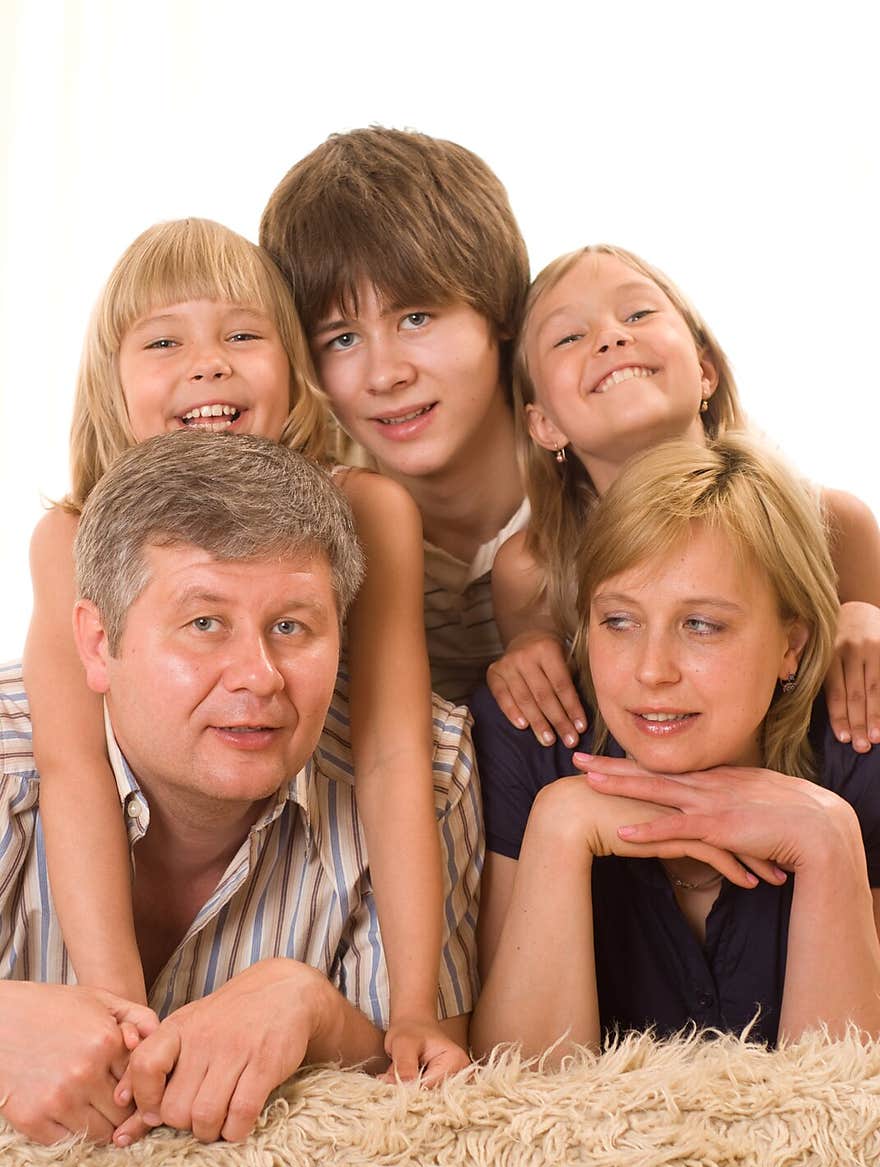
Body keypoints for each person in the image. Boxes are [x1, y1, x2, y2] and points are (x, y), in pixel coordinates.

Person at [23, 217, 470, 1083]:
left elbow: (389, 750)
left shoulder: (367, 509)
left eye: (242, 333)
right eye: (164, 340)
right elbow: (72, 766)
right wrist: (121, 1015)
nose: (208, 363)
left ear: (293, 369)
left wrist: (415, 1002)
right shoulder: (71, 533)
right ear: (111, 386)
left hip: (293, 798)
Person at [1, 431, 480, 1148]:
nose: (259, 676)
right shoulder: (12, 767)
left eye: (291, 626)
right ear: (100, 644)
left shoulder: (429, 775)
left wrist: (314, 1010)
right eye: (204, 624)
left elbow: (430, 1094)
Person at [469, 433, 880, 1060]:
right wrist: (560, 826)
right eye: (620, 621)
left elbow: (845, 1121)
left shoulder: (862, 746)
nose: (652, 670)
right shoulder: (533, 737)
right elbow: (513, 1107)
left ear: (790, 646)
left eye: (702, 625)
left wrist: (829, 842)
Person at [486, 244, 880, 754]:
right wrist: (525, 651)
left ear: (705, 371)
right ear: (544, 424)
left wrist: (861, 614)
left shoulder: (834, 523)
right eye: (569, 337)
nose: (611, 336)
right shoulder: (531, 569)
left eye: (638, 314)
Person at [259, 124, 531, 704]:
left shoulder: (601, 468)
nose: (385, 375)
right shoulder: (311, 523)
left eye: (416, 318)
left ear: (499, 308)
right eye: (342, 339)